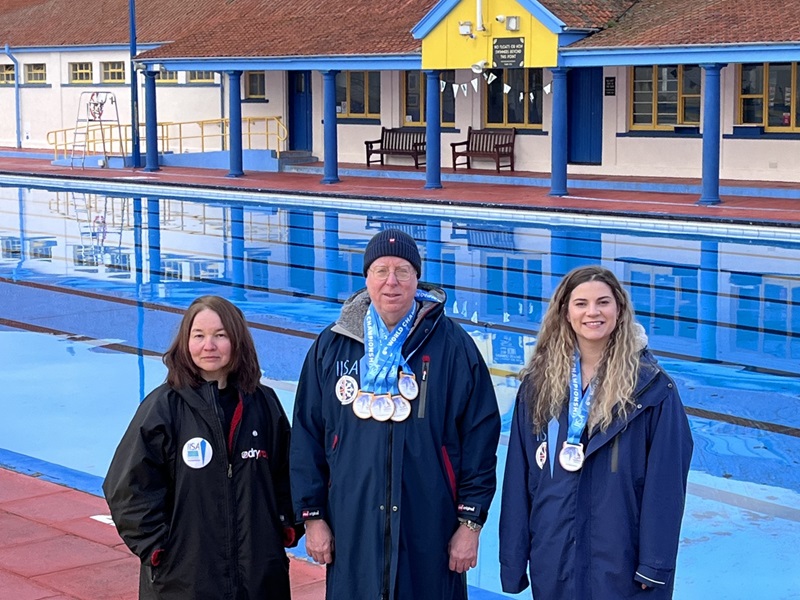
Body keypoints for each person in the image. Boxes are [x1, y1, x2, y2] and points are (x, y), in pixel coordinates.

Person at [290, 228, 501, 600]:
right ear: (366, 278)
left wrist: (470, 523)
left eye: (402, 270)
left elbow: (480, 440)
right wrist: (313, 517)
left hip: (430, 527)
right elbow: (307, 435)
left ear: (417, 278)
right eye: (381, 270)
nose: (392, 282)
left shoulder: (454, 347)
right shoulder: (332, 346)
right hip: (352, 525)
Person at [499, 265, 693, 600]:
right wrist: (513, 559)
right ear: (566, 312)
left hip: (621, 563)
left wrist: (655, 565)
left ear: (619, 309)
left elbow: (667, 486)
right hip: (554, 556)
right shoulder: (538, 385)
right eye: (581, 303)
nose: (593, 312)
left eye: (603, 302)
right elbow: (520, 478)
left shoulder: (652, 390)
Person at [103, 295, 302, 600]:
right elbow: (126, 486)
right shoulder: (163, 408)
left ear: (237, 340)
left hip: (259, 574)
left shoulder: (263, 403)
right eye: (199, 336)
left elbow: (289, 473)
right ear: (185, 342)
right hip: (184, 580)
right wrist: (158, 549)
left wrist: (286, 525)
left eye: (220, 335)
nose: (209, 345)